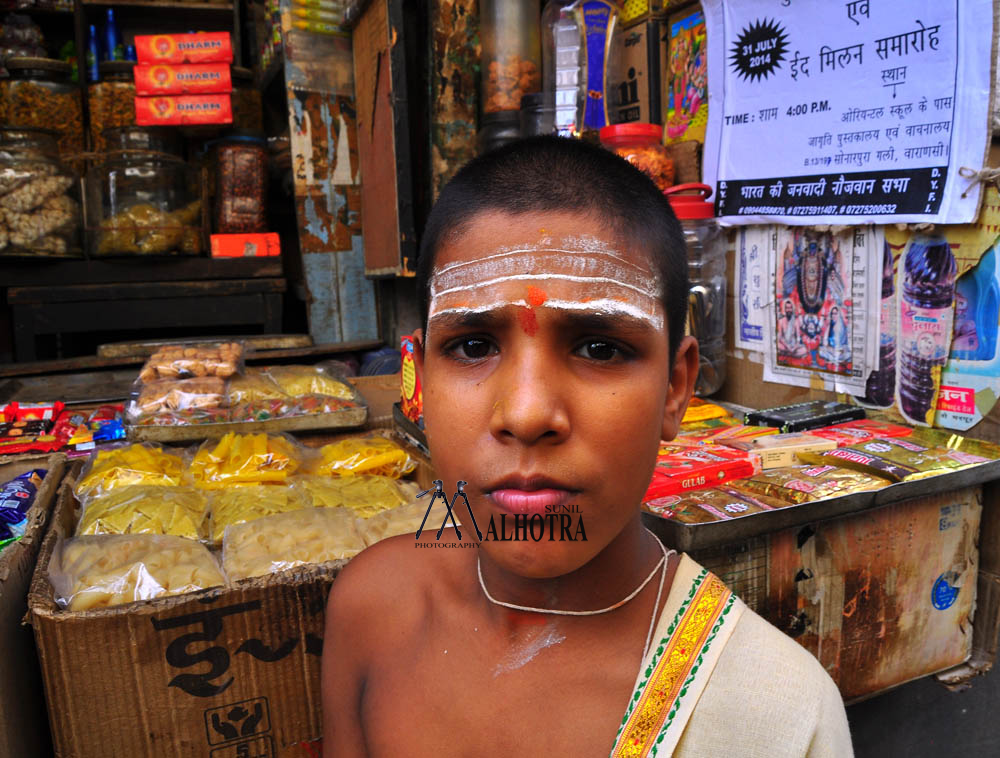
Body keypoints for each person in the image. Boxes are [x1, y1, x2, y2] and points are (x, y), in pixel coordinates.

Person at [322, 136, 852, 757]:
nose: (525, 414)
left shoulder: (774, 714)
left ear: (676, 387)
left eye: (599, 348)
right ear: (420, 382)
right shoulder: (372, 609)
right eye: (472, 346)